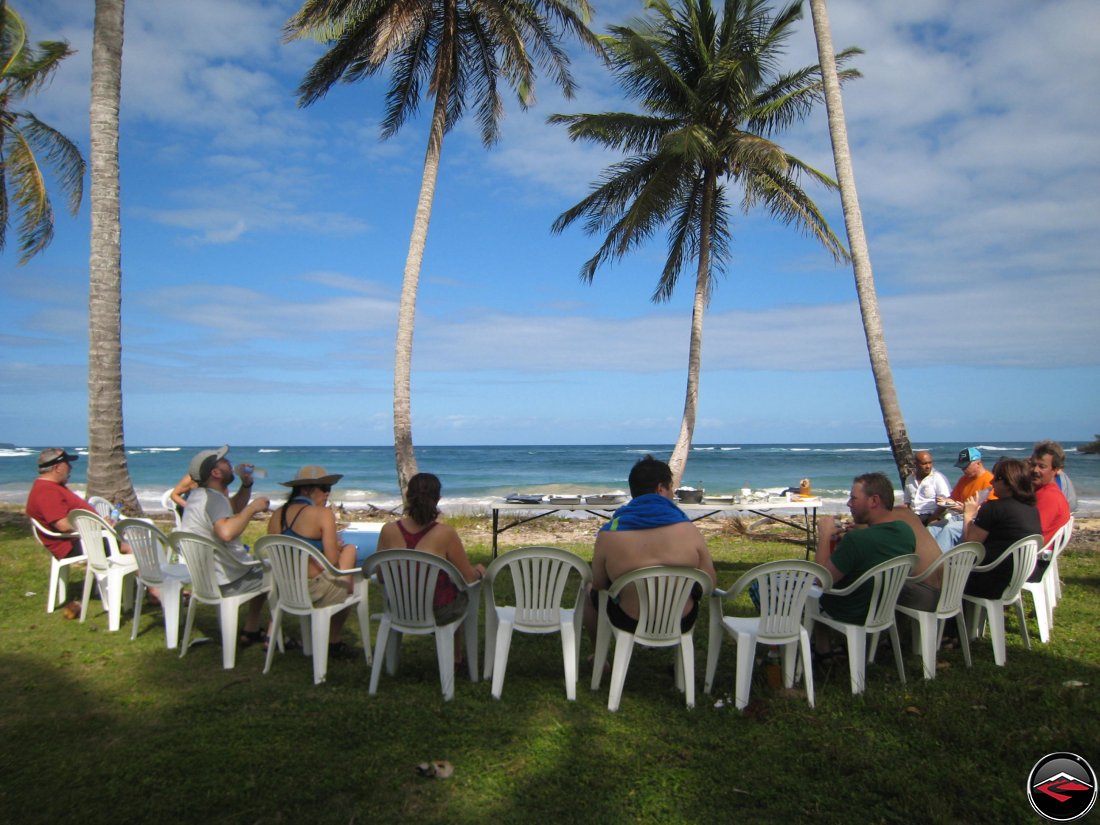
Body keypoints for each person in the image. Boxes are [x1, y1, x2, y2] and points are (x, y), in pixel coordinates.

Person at [584, 456, 716, 641]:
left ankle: (600, 658)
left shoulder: (609, 534)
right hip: (680, 619)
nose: (673, 494)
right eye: (672, 488)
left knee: (587, 589)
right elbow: (709, 582)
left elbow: (599, 585)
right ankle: (682, 664)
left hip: (628, 620)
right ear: (661, 489)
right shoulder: (689, 529)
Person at [378, 473, 484, 663]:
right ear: (438, 499)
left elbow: (380, 575)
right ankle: (455, 659)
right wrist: (478, 571)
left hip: (398, 609)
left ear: (407, 496)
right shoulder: (446, 534)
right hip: (437, 611)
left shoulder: (388, 530)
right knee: (460, 596)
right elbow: (467, 578)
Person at [181, 445, 271, 646]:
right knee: (280, 570)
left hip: (206, 580)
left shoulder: (200, 496)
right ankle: (273, 637)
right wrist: (253, 508)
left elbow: (232, 509)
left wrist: (246, 484)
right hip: (228, 582)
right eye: (225, 462)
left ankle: (251, 629)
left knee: (262, 565)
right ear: (216, 472)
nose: (231, 464)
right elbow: (226, 532)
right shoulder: (213, 499)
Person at [267, 466, 358, 655]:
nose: (327, 494)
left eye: (329, 489)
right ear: (307, 490)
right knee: (349, 551)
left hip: (287, 589)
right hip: (315, 591)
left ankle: (324, 638)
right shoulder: (322, 514)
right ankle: (333, 640)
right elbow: (332, 560)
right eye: (324, 488)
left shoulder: (277, 515)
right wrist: (336, 548)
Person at [814, 473, 915, 626]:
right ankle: (823, 647)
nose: (849, 504)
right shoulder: (906, 531)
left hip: (849, 611)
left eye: (853, 498)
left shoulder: (856, 540)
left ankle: (798, 646)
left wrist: (824, 535)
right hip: (883, 609)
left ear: (874, 500)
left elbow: (821, 580)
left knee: (803, 592)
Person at [25, 448, 97, 618]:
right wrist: (97, 526)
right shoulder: (46, 491)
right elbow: (63, 525)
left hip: (78, 539)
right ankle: (155, 591)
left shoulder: (52, 487)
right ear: (58, 467)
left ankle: (144, 586)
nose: (70, 468)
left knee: (129, 539)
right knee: (129, 544)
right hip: (69, 545)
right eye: (67, 464)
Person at [962, 458, 1042, 599]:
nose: (991, 483)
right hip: (1019, 577)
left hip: (991, 579)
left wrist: (968, 514)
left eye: (996, 479)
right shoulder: (1032, 509)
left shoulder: (992, 508)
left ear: (1009, 482)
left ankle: (952, 620)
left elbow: (970, 545)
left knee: (950, 575)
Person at [930, 448, 995, 552]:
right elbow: (953, 498)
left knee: (949, 530)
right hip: (960, 516)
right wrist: (946, 501)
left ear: (978, 463)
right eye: (962, 467)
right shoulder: (964, 479)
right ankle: (925, 559)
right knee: (932, 528)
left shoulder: (990, 481)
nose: (963, 470)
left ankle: (937, 563)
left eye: (966, 467)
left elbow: (989, 512)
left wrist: (965, 509)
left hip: (976, 520)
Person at [1026, 441, 1072, 582]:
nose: (1035, 470)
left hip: (1032, 564)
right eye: (1033, 464)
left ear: (1056, 470)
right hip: (1032, 558)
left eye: (1042, 466)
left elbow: (1031, 534)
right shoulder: (1041, 492)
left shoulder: (1049, 497)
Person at [903, 451, 951, 524]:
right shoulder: (909, 479)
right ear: (915, 464)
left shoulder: (938, 478)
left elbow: (945, 503)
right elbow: (907, 502)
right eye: (924, 463)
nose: (928, 466)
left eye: (930, 462)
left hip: (931, 515)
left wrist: (931, 519)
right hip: (914, 515)